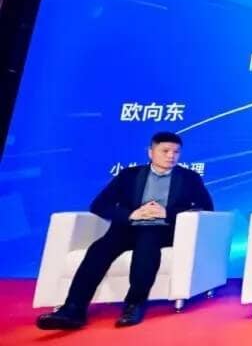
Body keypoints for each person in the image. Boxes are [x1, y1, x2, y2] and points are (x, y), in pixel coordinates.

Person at [36, 131, 214, 329]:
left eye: (176, 152)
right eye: (165, 151)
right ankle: (73, 310)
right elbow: (99, 205)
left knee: (147, 246)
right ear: (150, 152)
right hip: (127, 227)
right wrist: (131, 214)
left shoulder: (189, 178)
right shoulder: (129, 175)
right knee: (99, 249)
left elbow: (205, 207)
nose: (171, 156)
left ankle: (133, 305)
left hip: (162, 230)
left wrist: (167, 212)